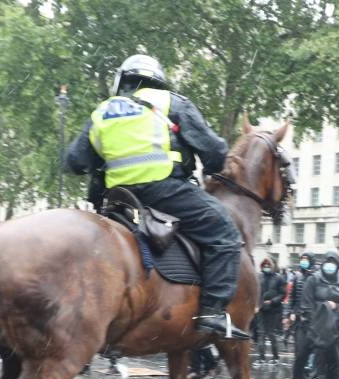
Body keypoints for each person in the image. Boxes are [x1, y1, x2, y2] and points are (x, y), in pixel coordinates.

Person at [63, 53, 242, 339]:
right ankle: (212, 312)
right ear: (157, 81)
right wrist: (211, 167)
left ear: (122, 82)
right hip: (164, 191)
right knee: (226, 235)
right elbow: (214, 150)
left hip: (117, 198)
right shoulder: (171, 102)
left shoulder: (102, 112)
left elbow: (75, 161)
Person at [288, 251, 339, 379]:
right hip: (310, 328)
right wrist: (319, 316)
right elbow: (306, 304)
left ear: (338, 265)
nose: (330, 265)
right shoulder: (313, 279)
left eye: (333, 262)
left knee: (335, 362)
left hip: (330, 329)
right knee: (300, 359)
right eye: (327, 261)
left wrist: (335, 306)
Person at [252, 257, 285, 362]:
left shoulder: (278, 278)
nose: (266, 266)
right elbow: (255, 292)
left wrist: (273, 301)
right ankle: (261, 358)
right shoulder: (259, 276)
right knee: (261, 333)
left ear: (272, 265)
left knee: (271, 334)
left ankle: (276, 357)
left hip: (273, 310)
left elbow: (283, 294)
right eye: (264, 264)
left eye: (268, 264)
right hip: (261, 309)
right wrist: (256, 305)